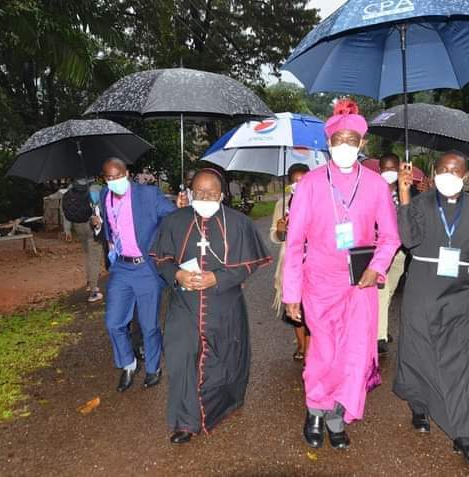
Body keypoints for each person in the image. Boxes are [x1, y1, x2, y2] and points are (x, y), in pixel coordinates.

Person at [283, 99, 400, 450]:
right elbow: (294, 243)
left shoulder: (378, 185)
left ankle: (336, 416)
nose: (345, 147)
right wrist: (292, 293)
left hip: (360, 284)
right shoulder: (311, 185)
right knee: (324, 352)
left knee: (355, 354)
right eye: (339, 140)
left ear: (362, 143)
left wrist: (377, 268)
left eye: (352, 140)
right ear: (329, 143)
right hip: (319, 283)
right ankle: (315, 410)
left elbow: (391, 237)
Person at [392, 151, 469, 465]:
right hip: (423, 294)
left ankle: (465, 435)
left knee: (464, 365)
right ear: (434, 171)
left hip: (462, 298)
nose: (448, 175)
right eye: (442, 169)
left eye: (455, 171)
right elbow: (408, 240)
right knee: (419, 355)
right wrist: (403, 194)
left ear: (466, 177)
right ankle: (419, 404)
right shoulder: (420, 203)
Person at [153, 168, 271, 445]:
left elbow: (249, 265)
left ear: (221, 194)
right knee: (180, 357)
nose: (205, 196)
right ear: (191, 193)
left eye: (211, 192)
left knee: (223, 359)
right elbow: (161, 259)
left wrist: (217, 277)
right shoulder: (175, 220)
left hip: (224, 303)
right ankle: (184, 421)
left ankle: (221, 405)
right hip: (184, 303)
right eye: (199, 192)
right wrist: (177, 275)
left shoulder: (239, 223)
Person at [96, 158, 177, 393]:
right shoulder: (104, 196)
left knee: (149, 324)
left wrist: (181, 207)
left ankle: (153, 368)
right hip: (120, 267)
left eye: (118, 176)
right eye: (109, 178)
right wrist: (97, 226)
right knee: (114, 323)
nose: (114, 181)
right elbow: (107, 228)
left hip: (145, 268)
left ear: (127, 173)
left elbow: (172, 217)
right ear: (105, 179)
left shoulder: (148, 195)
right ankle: (128, 364)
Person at [270, 163, 311, 361]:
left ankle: (311, 351)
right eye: (295, 181)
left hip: (314, 264)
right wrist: (280, 230)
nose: (299, 184)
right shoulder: (282, 204)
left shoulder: (319, 201)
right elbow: (275, 236)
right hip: (291, 264)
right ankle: (302, 346)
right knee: (295, 308)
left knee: (311, 309)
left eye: (303, 180)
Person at [376, 155, 406, 354]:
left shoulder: (408, 193)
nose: (389, 171)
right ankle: (379, 336)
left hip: (401, 253)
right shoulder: (373, 192)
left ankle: (379, 326)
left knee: (388, 292)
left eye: (392, 167)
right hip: (380, 251)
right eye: (385, 168)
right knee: (381, 291)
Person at [61, 177, 104, 303]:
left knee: (87, 255)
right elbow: (101, 209)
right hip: (92, 226)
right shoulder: (96, 188)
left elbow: (64, 210)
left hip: (78, 226)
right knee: (95, 258)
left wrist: (67, 230)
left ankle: (89, 282)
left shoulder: (70, 189)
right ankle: (93, 292)